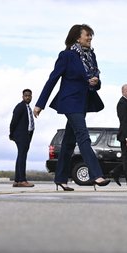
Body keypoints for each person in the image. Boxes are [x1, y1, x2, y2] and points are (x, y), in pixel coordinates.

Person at [33, 24, 110, 191]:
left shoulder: (91, 56)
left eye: (91, 36)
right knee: (83, 136)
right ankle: (96, 174)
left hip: (83, 102)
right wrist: (40, 104)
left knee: (68, 142)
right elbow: (52, 79)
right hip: (69, 101)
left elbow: (95, 80)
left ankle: (60, 178)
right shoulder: (66, 56)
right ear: (77, 37)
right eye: (87, 35)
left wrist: (95, 82)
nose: (90, 38)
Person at [9, 89, 35, 188]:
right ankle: (22, 180)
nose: (28, 97)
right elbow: (13, 121)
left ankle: (16, 180)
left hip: (27, 135)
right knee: (22, 156)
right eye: (26, 96)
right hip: (21, 135)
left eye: (29, 96)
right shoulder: (20, 107)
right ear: (22, 96)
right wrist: (11, 134)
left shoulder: (28, 107)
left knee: (21, 156)